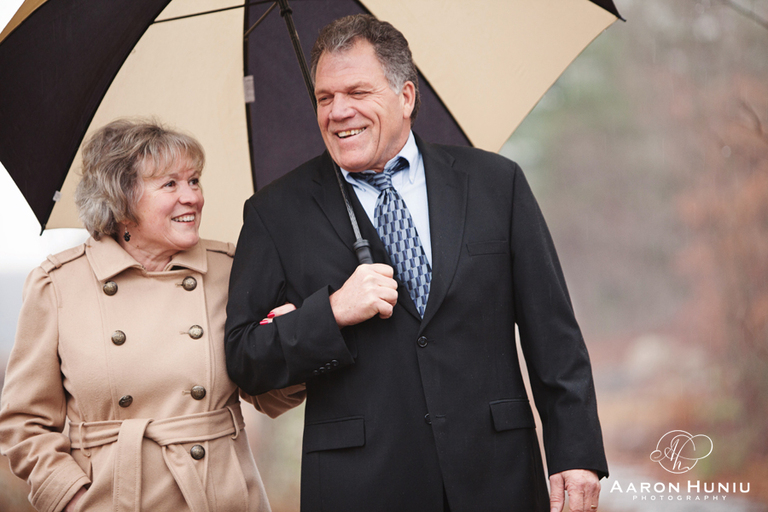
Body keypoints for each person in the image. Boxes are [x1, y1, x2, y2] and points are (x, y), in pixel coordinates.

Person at [225, 14, 607, 512]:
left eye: (357, 93)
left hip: (498, 474)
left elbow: (554, 335)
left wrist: (575, 452)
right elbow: (244, 357)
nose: (338, 112)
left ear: (406, 97)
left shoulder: (496, 184)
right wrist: (332, 312)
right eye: (324, 98)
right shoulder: (275, 212)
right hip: (361, 487)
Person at [0, 119, 305, 512]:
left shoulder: (231, 270)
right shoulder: (57, 285)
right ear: (122, 200)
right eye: (170, 184)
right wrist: (70, 495)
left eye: (194, 180)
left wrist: (293, 340)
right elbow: (24, 423)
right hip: (112, 501)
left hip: (222, 498)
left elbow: (269, 398)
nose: (192, 197)